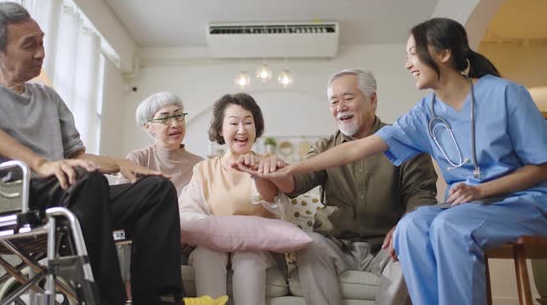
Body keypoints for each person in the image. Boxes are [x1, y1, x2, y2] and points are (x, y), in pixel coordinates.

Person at [241, 18, 547, 305]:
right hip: (468, 206)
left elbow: (542, 167)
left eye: (413, 53)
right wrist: (291, 167)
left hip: (521, 201)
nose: (407, 64)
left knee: (447, 227)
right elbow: (352, 150)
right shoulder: (425, 112)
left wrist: (482, 190)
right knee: (412, 226)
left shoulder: (507, 94)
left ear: (443, 53)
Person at [0, 2, 185, 305]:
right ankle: (105, 299)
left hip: (69, 190)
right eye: (29, 45)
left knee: (157, 190)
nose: (40, 53)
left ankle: (156, 299)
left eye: (41, 41)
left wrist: (118, 163)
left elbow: (76, 156)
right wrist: (41, 163)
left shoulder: (47, 97)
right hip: (12, 194)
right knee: (84, 181)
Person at [237, 69, 438, 305]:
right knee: (310, 244)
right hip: (336, 244)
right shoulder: (324, 146)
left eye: (348, 98)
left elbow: (422, 195)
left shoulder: (404, 143)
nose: (340, 106)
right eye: (334, 101)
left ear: (372, 100)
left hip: (388, 246)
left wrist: (405, 227)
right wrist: (270, 171)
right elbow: (295, 185)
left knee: (413, 242)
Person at [179, 93, 284, 305]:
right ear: (220, 129)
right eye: (234, 123)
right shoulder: (204, 169)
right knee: (206, 255)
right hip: (211, 244)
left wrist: (257, 173)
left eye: (248, 123)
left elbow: (278, 209)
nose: (242, 130)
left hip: (257, 246)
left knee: (248, 259)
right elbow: (187, 212)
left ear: (257, 128)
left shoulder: (268, 164)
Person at [116, 91, 203, 299]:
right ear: (148, 127)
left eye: (178, 115)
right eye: (165, 118)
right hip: (151, 243)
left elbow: (207, 209)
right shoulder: (138, 158)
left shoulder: (200, 164)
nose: (175, 123)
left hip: (191, 243)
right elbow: (122, 208)